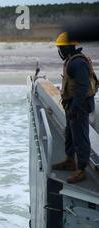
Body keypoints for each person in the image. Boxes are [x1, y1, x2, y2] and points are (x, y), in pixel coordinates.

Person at [51, 32, 98, 184]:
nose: (60, 51)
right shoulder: (71, 60)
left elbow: (82, 88)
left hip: (80, 105)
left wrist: (75, 108)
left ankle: (81, 170)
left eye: (61, 48)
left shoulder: (77, 63)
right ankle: (70, 160)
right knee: (70, 134)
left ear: (69, 47)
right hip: (72, 104)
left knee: (80, 137)